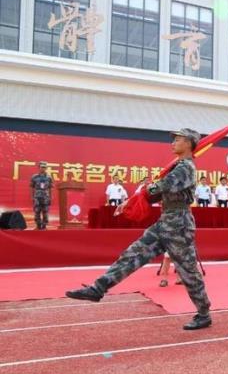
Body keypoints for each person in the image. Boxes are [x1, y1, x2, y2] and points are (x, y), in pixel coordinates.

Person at [66, 128, 212, 330]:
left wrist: (148, 187)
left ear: (189, 143)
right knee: (133, 253)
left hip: (180, 224)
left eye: (178, 139)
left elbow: (160, 187)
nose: (173, 143)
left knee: (187, 270)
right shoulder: (175, 166)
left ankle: (204, 313)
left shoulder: (186, 167)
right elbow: (154, 194)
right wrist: (135, 199)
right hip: (165, 220)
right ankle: (98, 288)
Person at [30, 161, 54, 230]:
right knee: (37, 211)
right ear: (39, 167)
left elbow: (50, 188)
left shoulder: (49, 177)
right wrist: (32, 196)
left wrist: (51, 196)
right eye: (42, 167)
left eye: (44, 167)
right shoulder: (34, 177)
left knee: (45, 212)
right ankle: (38, 225)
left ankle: (44, 226)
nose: (43, 168)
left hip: (45, 197)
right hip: (37, 197)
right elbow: (31, 187)